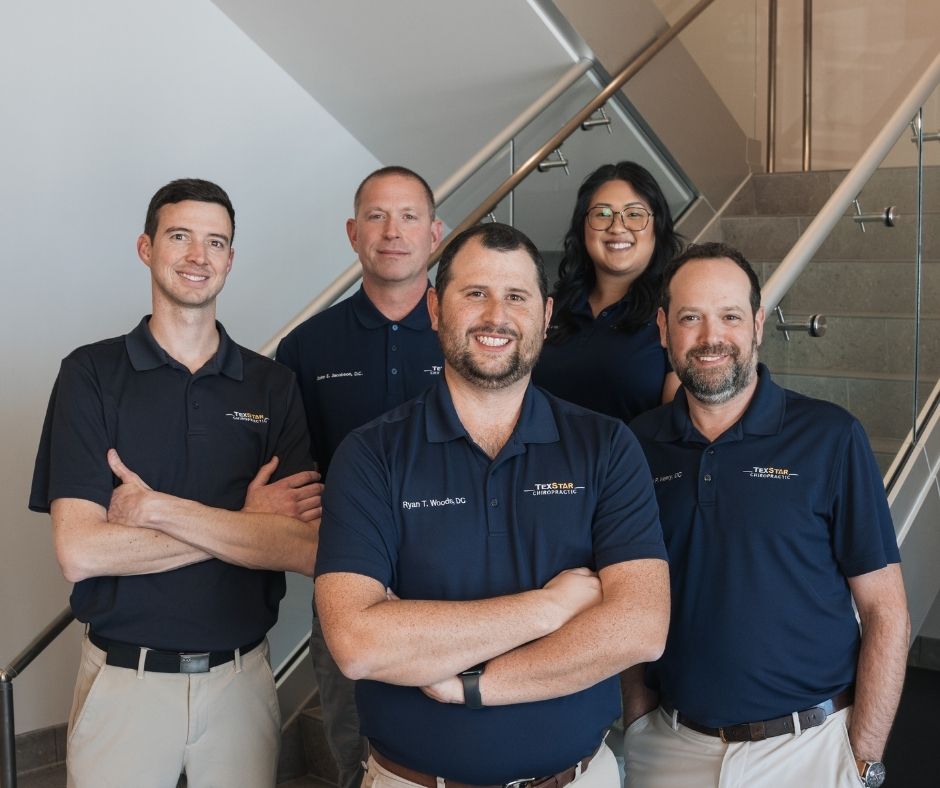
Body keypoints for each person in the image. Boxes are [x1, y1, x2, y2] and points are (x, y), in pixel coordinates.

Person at [315, 222, 671, 788]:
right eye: (474, 293)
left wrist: (472, 684)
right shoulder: (370, 454)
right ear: (435, 308)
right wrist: (550, 608)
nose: (495, 316)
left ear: (547, 315)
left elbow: (640, 626)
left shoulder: (604, 446)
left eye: (516, 297)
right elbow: (358, 645)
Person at [29, 178, 323, 788]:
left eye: (216, 242)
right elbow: (81, 552)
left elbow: (302, 548)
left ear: (231, 260)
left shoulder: (272, 386)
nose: (199, 256)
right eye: (181, 236)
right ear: (146, 247)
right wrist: (244, 522)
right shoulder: (91, 374)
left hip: (241, 683)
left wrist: (156, 510)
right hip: (124, 684)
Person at [623, 242, 910, 788]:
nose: (711, 337)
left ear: (757, 323)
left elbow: (885, 610)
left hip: (808, 750)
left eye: (730, 315)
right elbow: (627, 593)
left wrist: (862, 760)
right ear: (663, 328)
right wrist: (639, 725)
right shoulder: (637, 445)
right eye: (690, 317)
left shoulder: (831, 437)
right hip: (671, 748)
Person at [276, 166, 445, 788]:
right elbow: (299, 476)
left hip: (458, 579)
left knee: (453, 735)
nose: (392, 232)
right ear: (353, 233)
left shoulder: (470, 335)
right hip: (349, 583)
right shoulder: (307, 347)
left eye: (407, 217)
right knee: (352, 741)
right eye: (376, 216)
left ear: (436, 234)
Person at [533, 161, 683, 422]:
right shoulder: (552, 308)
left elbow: (677, 427)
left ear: (657, 226)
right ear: (583, 227)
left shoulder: (675, 312)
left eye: (634, 214)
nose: (617, 227)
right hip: (538, 461)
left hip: (631, 462)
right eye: (602, 214)